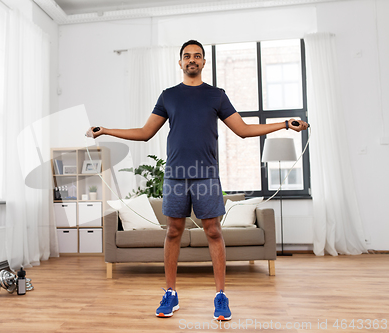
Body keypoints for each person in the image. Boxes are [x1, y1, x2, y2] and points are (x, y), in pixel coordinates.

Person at [87, 40, 308, 320]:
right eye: (187, 56)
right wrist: (106, 130)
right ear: (180, 63)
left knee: (214, 232)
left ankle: (221, 296)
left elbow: (243, 129)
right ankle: (170, 293)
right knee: (173, 233)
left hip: (206, 176)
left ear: (204, 63)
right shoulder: (169, 96)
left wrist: (285, 124)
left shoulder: (216, 95)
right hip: (176, 176)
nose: (192, 60)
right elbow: (145, 132)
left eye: (197, 56)